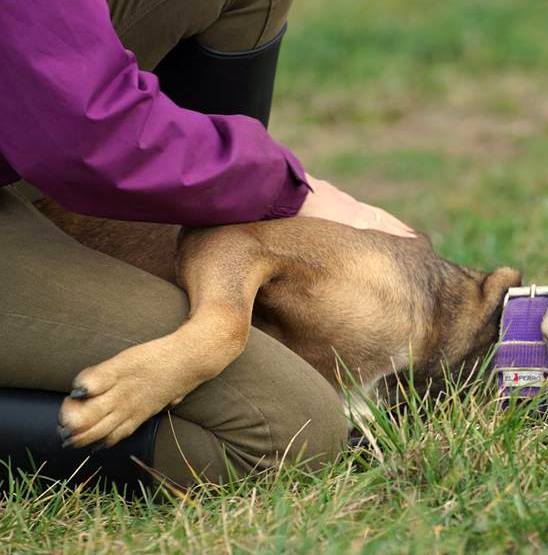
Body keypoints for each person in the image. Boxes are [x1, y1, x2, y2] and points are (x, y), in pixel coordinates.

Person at [0, 0, 413, 489]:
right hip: (62, 137)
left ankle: (195, 227)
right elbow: (82, 133)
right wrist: (280, 189)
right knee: (287, 428)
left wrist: (237, 204)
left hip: (26, 132)